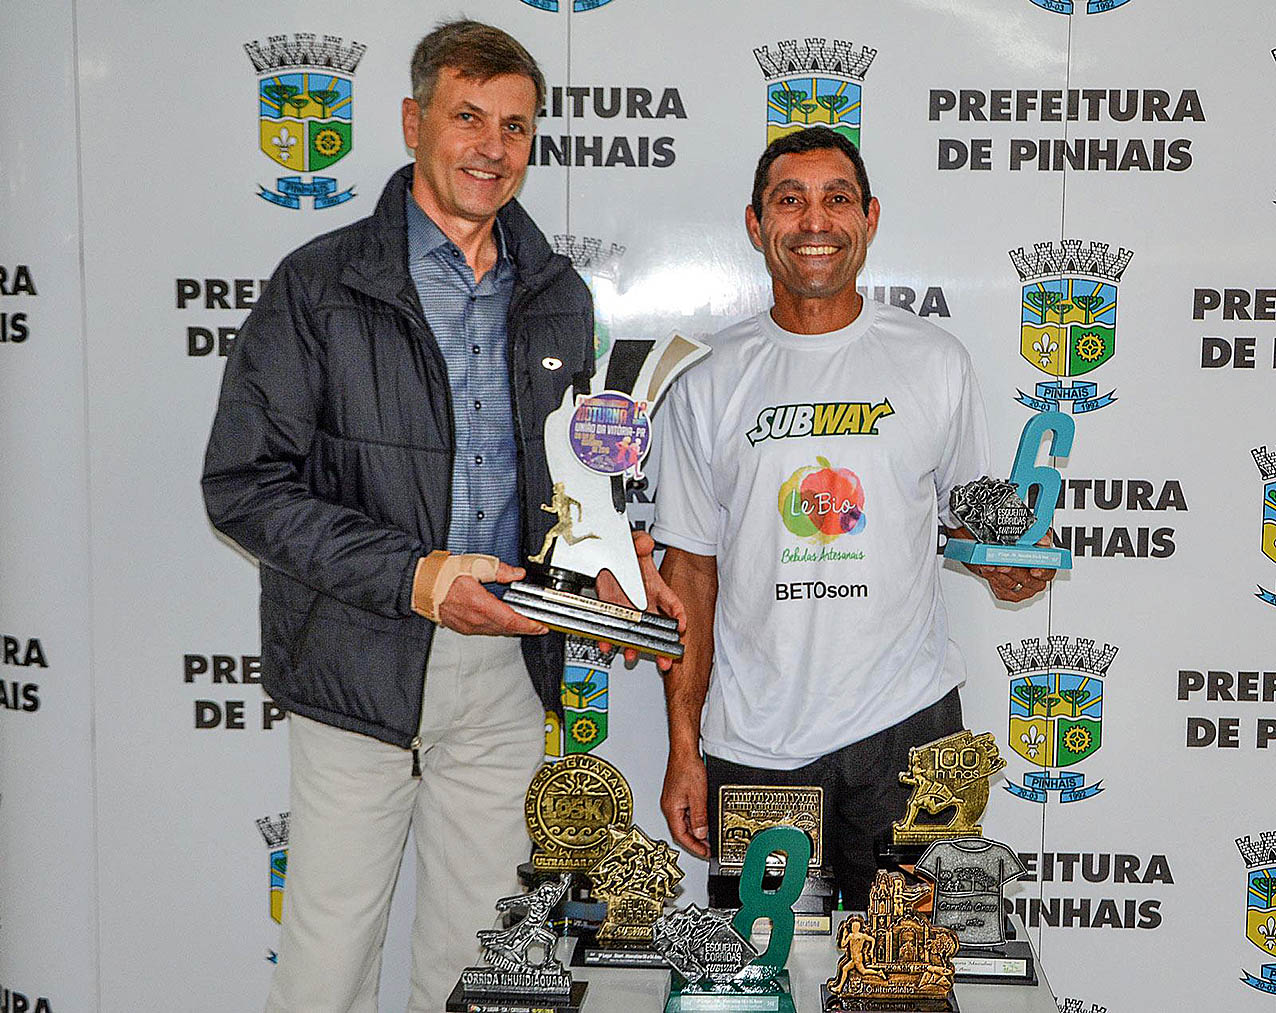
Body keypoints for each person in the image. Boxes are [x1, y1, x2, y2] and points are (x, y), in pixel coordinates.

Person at [202, 20, 679, 1011]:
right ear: (413, 121)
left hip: (508, 666)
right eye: (468, 117)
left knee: (479, 966)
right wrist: (417, 576)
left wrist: (606, 556)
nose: (492, 147)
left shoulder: (557, 293)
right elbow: (245, 486)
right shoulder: (318, 284)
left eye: (515, 126)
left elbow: (564, 482)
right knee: (328, 963)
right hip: (358, 661)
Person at [651, 126, 1053, 911]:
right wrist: (683, 748)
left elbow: (974, 521)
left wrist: (1012, 561)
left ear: (869, 217)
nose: (814, 221)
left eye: (836, 198)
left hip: (910, 736)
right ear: (755, 223)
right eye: (789, 200)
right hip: (756, 744)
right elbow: (689, 572)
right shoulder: (706, 378)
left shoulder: (935, 361)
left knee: (912, 963)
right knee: (759, 968)